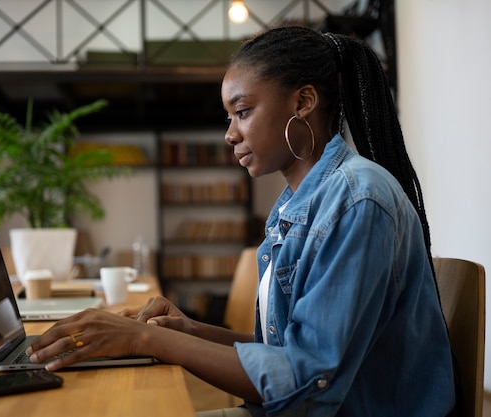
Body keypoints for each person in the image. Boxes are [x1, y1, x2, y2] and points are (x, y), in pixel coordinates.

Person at [26, 26, 456, 416]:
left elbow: (306, 384)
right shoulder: (297, 205)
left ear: (303, 102)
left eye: (243, 111)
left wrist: (145, 339)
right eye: (228, 117)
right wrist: (189, 330)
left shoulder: (356, 201)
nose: (230, 134)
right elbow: (287, 354)